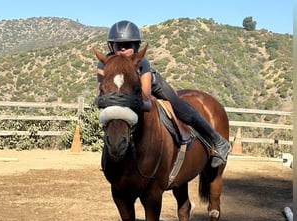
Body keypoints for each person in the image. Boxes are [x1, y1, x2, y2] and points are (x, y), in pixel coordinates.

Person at [96, 20, 231, 168]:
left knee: (179, 106)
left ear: (135, 46)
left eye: (127, 45)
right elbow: (100, 95)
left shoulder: (143, 63)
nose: (122, 49)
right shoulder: (104, 64)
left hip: (153, 85)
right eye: (117, 45)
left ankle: (218, 141)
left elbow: (146, 102)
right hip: (125, 92)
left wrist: (127, 101)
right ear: (111, 46)